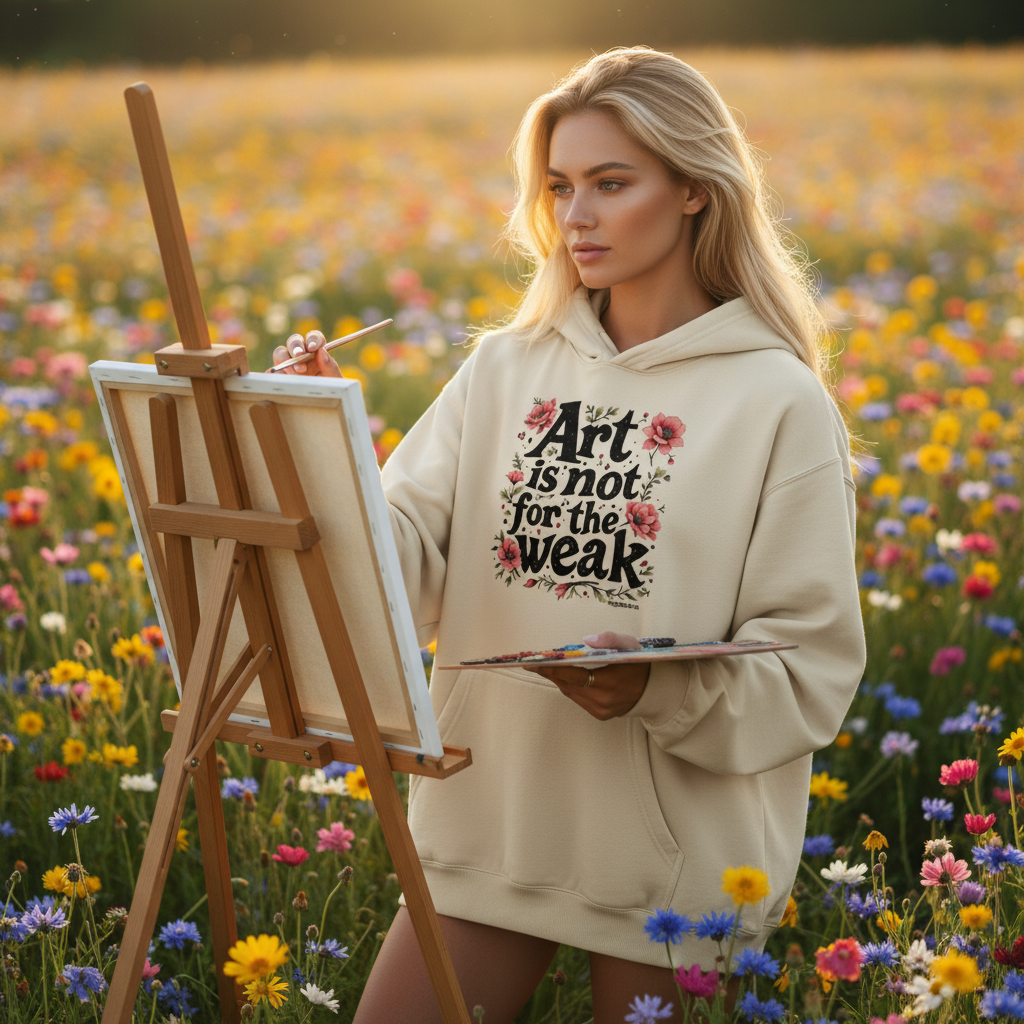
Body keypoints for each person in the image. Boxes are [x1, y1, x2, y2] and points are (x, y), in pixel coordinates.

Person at [272, 46, 866, 1024]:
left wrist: (653, 687)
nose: (574, 216)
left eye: (609, 183)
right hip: (486, 829)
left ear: (692, 191)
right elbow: (399, 573)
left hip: (670, 873)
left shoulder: (776, 399)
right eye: (556, 187)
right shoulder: (505, 368)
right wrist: (317, 446)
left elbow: (812, 669)